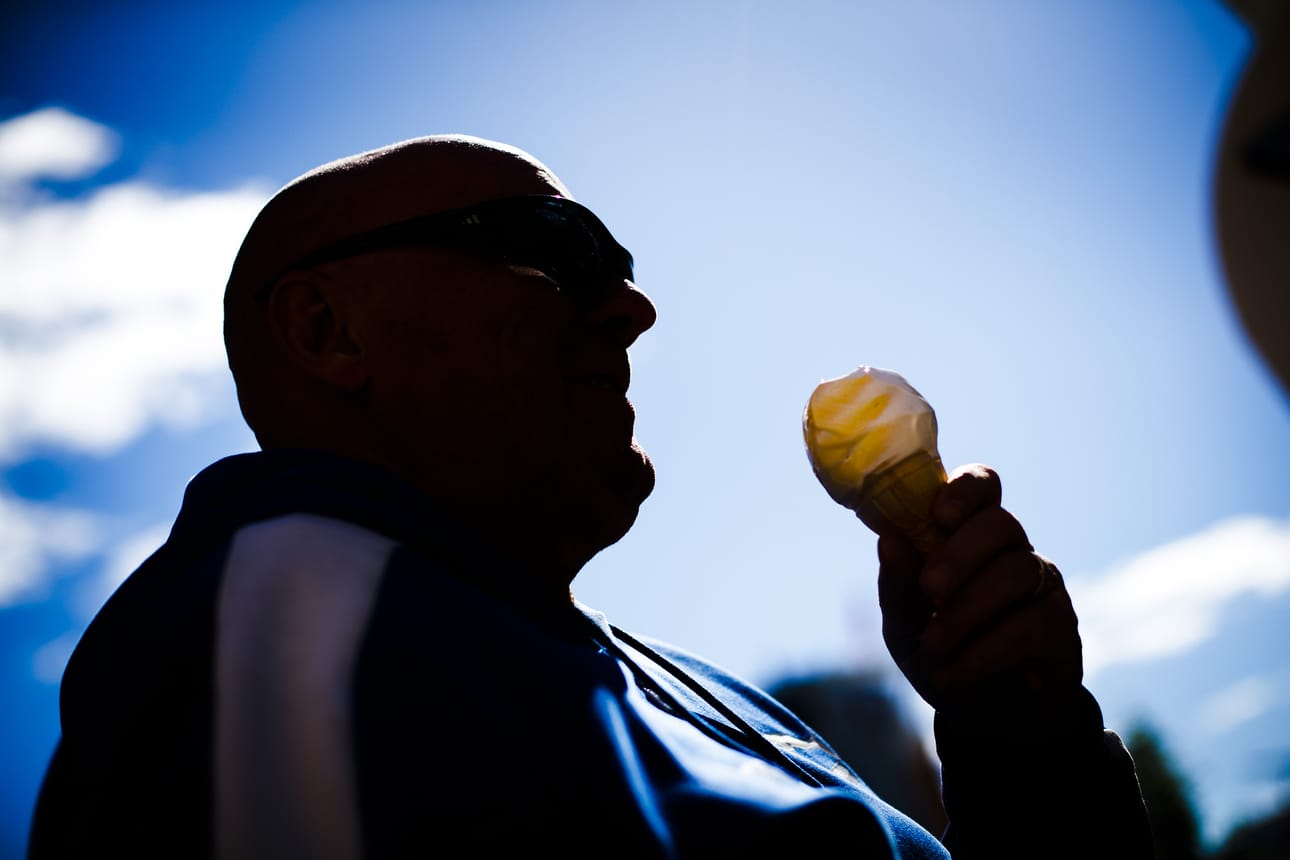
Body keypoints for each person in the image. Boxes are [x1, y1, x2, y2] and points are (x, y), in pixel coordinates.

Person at [28, 135, 1155, 858]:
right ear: (328, 332)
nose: (633, 310)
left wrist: (1022, 737)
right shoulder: (284, 615)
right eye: (555, 248)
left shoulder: (673, 681)